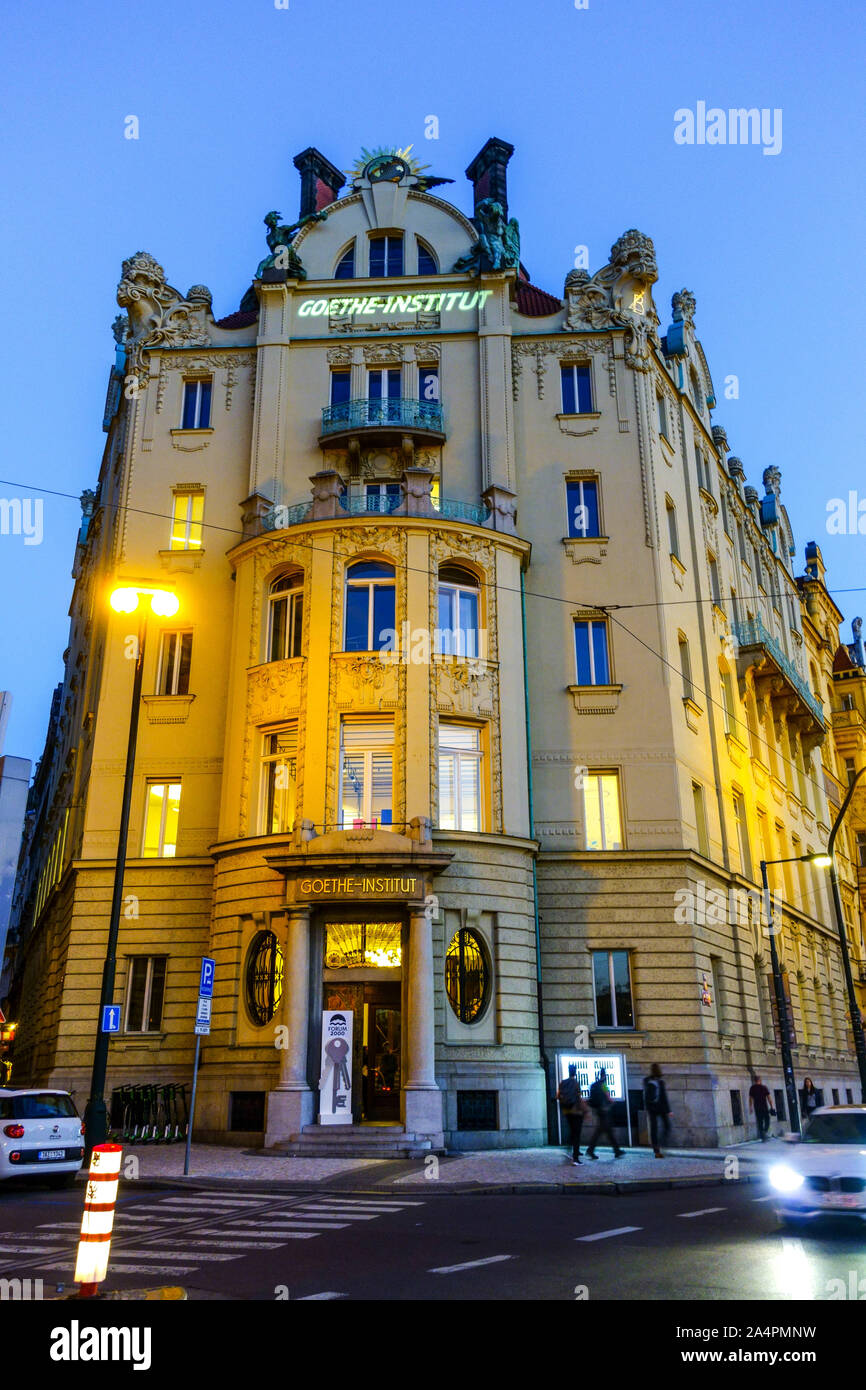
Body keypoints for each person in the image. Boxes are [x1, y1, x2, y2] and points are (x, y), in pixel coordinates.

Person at [585, 1068, 625, 1159]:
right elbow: (609, 1097)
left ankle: (616, 1150)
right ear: (605, 1076)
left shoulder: (595, 1085)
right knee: (604, 1131)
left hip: (598, 1110)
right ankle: (591, 1150)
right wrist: (613, 1102)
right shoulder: (604, 1085)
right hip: (604, 1110)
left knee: (605, 1130)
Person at [556, 1064, 589, 1165]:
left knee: (572, 1132)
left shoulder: (562, 1083)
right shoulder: (575, 1083)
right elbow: (579, 1098)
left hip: (567, 1111)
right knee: (576, 1134)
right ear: (575, 1072)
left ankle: (571, 1151)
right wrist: (586, 1110)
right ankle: (575, 1158)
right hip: (576, 1112)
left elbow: (557, 1096)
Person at [643, 1062, 673, 1158]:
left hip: (652, 1108)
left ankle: (656, 1149)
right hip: (660, 1108)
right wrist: (669, 1110)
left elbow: (645, 1096)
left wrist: (647, 1108)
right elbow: (664, 1097)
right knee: (666, 1126)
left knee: (654, 1129)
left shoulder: (647, 1080)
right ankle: (661, 1144)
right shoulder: (660, 1082)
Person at [748, 1073, 775, 1141]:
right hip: (764, 1107)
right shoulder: (764, 1087)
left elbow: (751, 1098)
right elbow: (769, 1098)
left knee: (760, 1121)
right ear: (760, 1080)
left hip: (757, 1107)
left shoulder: (752, 1088)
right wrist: (772, 1107)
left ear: (754, 1080)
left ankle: (762, 1135)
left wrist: (751, 1107)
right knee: (767, 1120)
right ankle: (764, 1132)